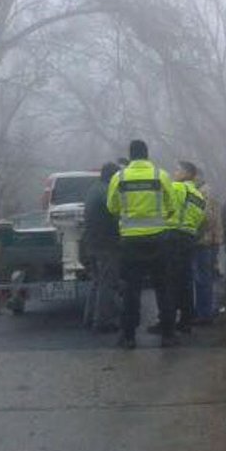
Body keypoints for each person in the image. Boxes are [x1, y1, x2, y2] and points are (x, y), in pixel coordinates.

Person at [107, 140, 178, 349]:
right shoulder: (161, 176)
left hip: (130, 242)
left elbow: (112, 208)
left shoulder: (118, 177)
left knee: (131, 290)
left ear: (130, 156)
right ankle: (168, 335)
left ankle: (128, 337)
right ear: (147, 154)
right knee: (163, 288)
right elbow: (172, 206)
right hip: (158, 240)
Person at [149, 161, 205, 335]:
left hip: (172, 237)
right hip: (189, 238)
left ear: (187, 173)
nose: (174, 172)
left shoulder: (177, 188)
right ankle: (186, 321)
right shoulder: (199, 195)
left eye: (177, 169)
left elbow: (159, 204)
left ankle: (167, 322)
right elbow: (201, 221)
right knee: (186, 282)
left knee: (168, 282)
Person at [82, 162, 121, 332]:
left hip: (92, 242)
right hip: (106, 244)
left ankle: (89, 318)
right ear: (113, 176)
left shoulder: (94, 188)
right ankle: (103, 322)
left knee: (97, 282)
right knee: (107, 282)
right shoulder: (107, 191)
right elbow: (115, 216)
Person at [193, 171, 221, 323]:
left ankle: (204, 313)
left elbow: (206, 217)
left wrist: (194, 233)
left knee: (203, 278)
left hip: (204, 241)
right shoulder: (207, 191)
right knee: (205, 277)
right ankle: (203, 311)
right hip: (210, 240)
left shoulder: (204, 193)